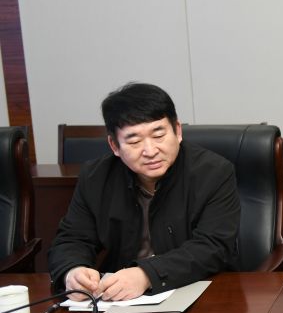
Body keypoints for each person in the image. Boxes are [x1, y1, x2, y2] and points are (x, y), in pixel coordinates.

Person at [48, 83, 240, 301]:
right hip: (120, 300)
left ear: (177, 131)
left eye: (158, 135)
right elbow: (72, 238)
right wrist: (73, 270)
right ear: (114, 145)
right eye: (135, 141)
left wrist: (147, 275)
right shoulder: (96, 177)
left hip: (203, 292)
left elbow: (213, 247)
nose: (150, 151)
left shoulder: (213, 172)